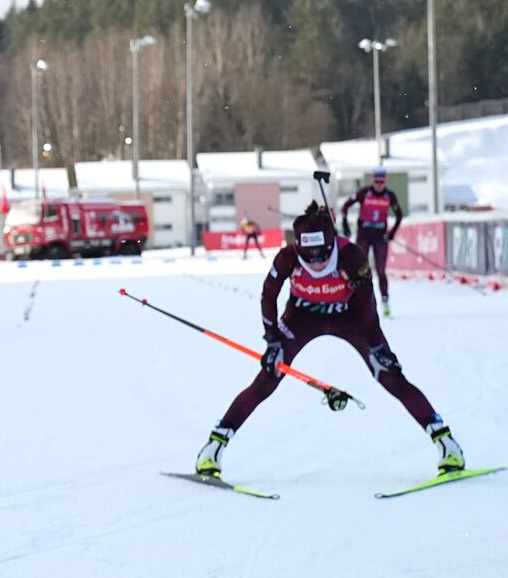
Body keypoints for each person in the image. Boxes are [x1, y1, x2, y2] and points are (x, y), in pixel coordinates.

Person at [194, 203, 464, 478]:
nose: (316, 264)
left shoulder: (351, 256)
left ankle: (447, 444)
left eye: (323, 256)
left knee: (391, 377)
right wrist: (272, 339)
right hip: (302, 317)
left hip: (352, 317)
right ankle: (213, 448)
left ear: (332, 243)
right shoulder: (288, 256)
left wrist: (374, 343)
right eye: (308, 258)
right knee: (267, 379)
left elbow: (367, 305)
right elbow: (268, 296)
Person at [341, 166, 403, 316]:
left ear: (385, 181)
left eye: (382, 181)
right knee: (361, 269)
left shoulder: (389, 196)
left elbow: (399, 214)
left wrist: (392, 233)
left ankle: (385, 302)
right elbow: (345, 207)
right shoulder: (364, 193)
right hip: (364, 235)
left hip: (380, 237)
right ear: (372, 180)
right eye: (376, 181)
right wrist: (345, 225)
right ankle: (358, 302)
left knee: (381, 270)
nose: (379, 184)